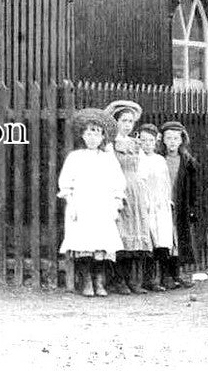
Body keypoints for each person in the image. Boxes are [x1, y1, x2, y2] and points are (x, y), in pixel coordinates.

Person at [57, 108, 125, 297]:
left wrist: (115, 205)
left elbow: (118, 183)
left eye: (96, 133)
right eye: (88, 133)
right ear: (83, 137)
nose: (92, 137)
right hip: (82, 206)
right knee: (84, 244)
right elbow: (66, 183)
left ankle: (99, 282)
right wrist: (71, 203)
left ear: (103, 136)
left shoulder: (108, 159)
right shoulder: (75, 157)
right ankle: (86, 282)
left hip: (102, 206)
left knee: (101, 244)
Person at [103, 99, 153, 294]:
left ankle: (134, 281)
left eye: (130, 121)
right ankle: (119, 280)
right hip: (119, 189)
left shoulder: (135, 143)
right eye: (123, 120)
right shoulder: (109, 145)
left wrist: (143, 192)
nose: (127, 125)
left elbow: (142, 169)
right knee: (121, 235)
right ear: (115, 122)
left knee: (136, 234)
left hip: (136, 191)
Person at [136, 123, 175, 292]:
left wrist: (167, 200)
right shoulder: (138, 159)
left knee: (161, 241)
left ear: (155, 142)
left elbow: (166, 182)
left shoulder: (160, 160)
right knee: (148, 241)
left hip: (160, 204)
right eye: (143, 140)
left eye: (150, 140)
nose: (147, 144)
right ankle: (147, 279)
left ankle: (159, 278)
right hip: (145, 204)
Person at [159, 120, 198, 288]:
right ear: (163, 140)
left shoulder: (188, 162)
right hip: (162, 205)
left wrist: (191, 207)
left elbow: (193, 188)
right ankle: (164, 276)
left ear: (182, 140)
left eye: (176, 138)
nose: (172, 142)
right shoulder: (158, 159)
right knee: (164, 240)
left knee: (178, 239)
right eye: (169, 138)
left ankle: (177, 274)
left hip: (179, 206)